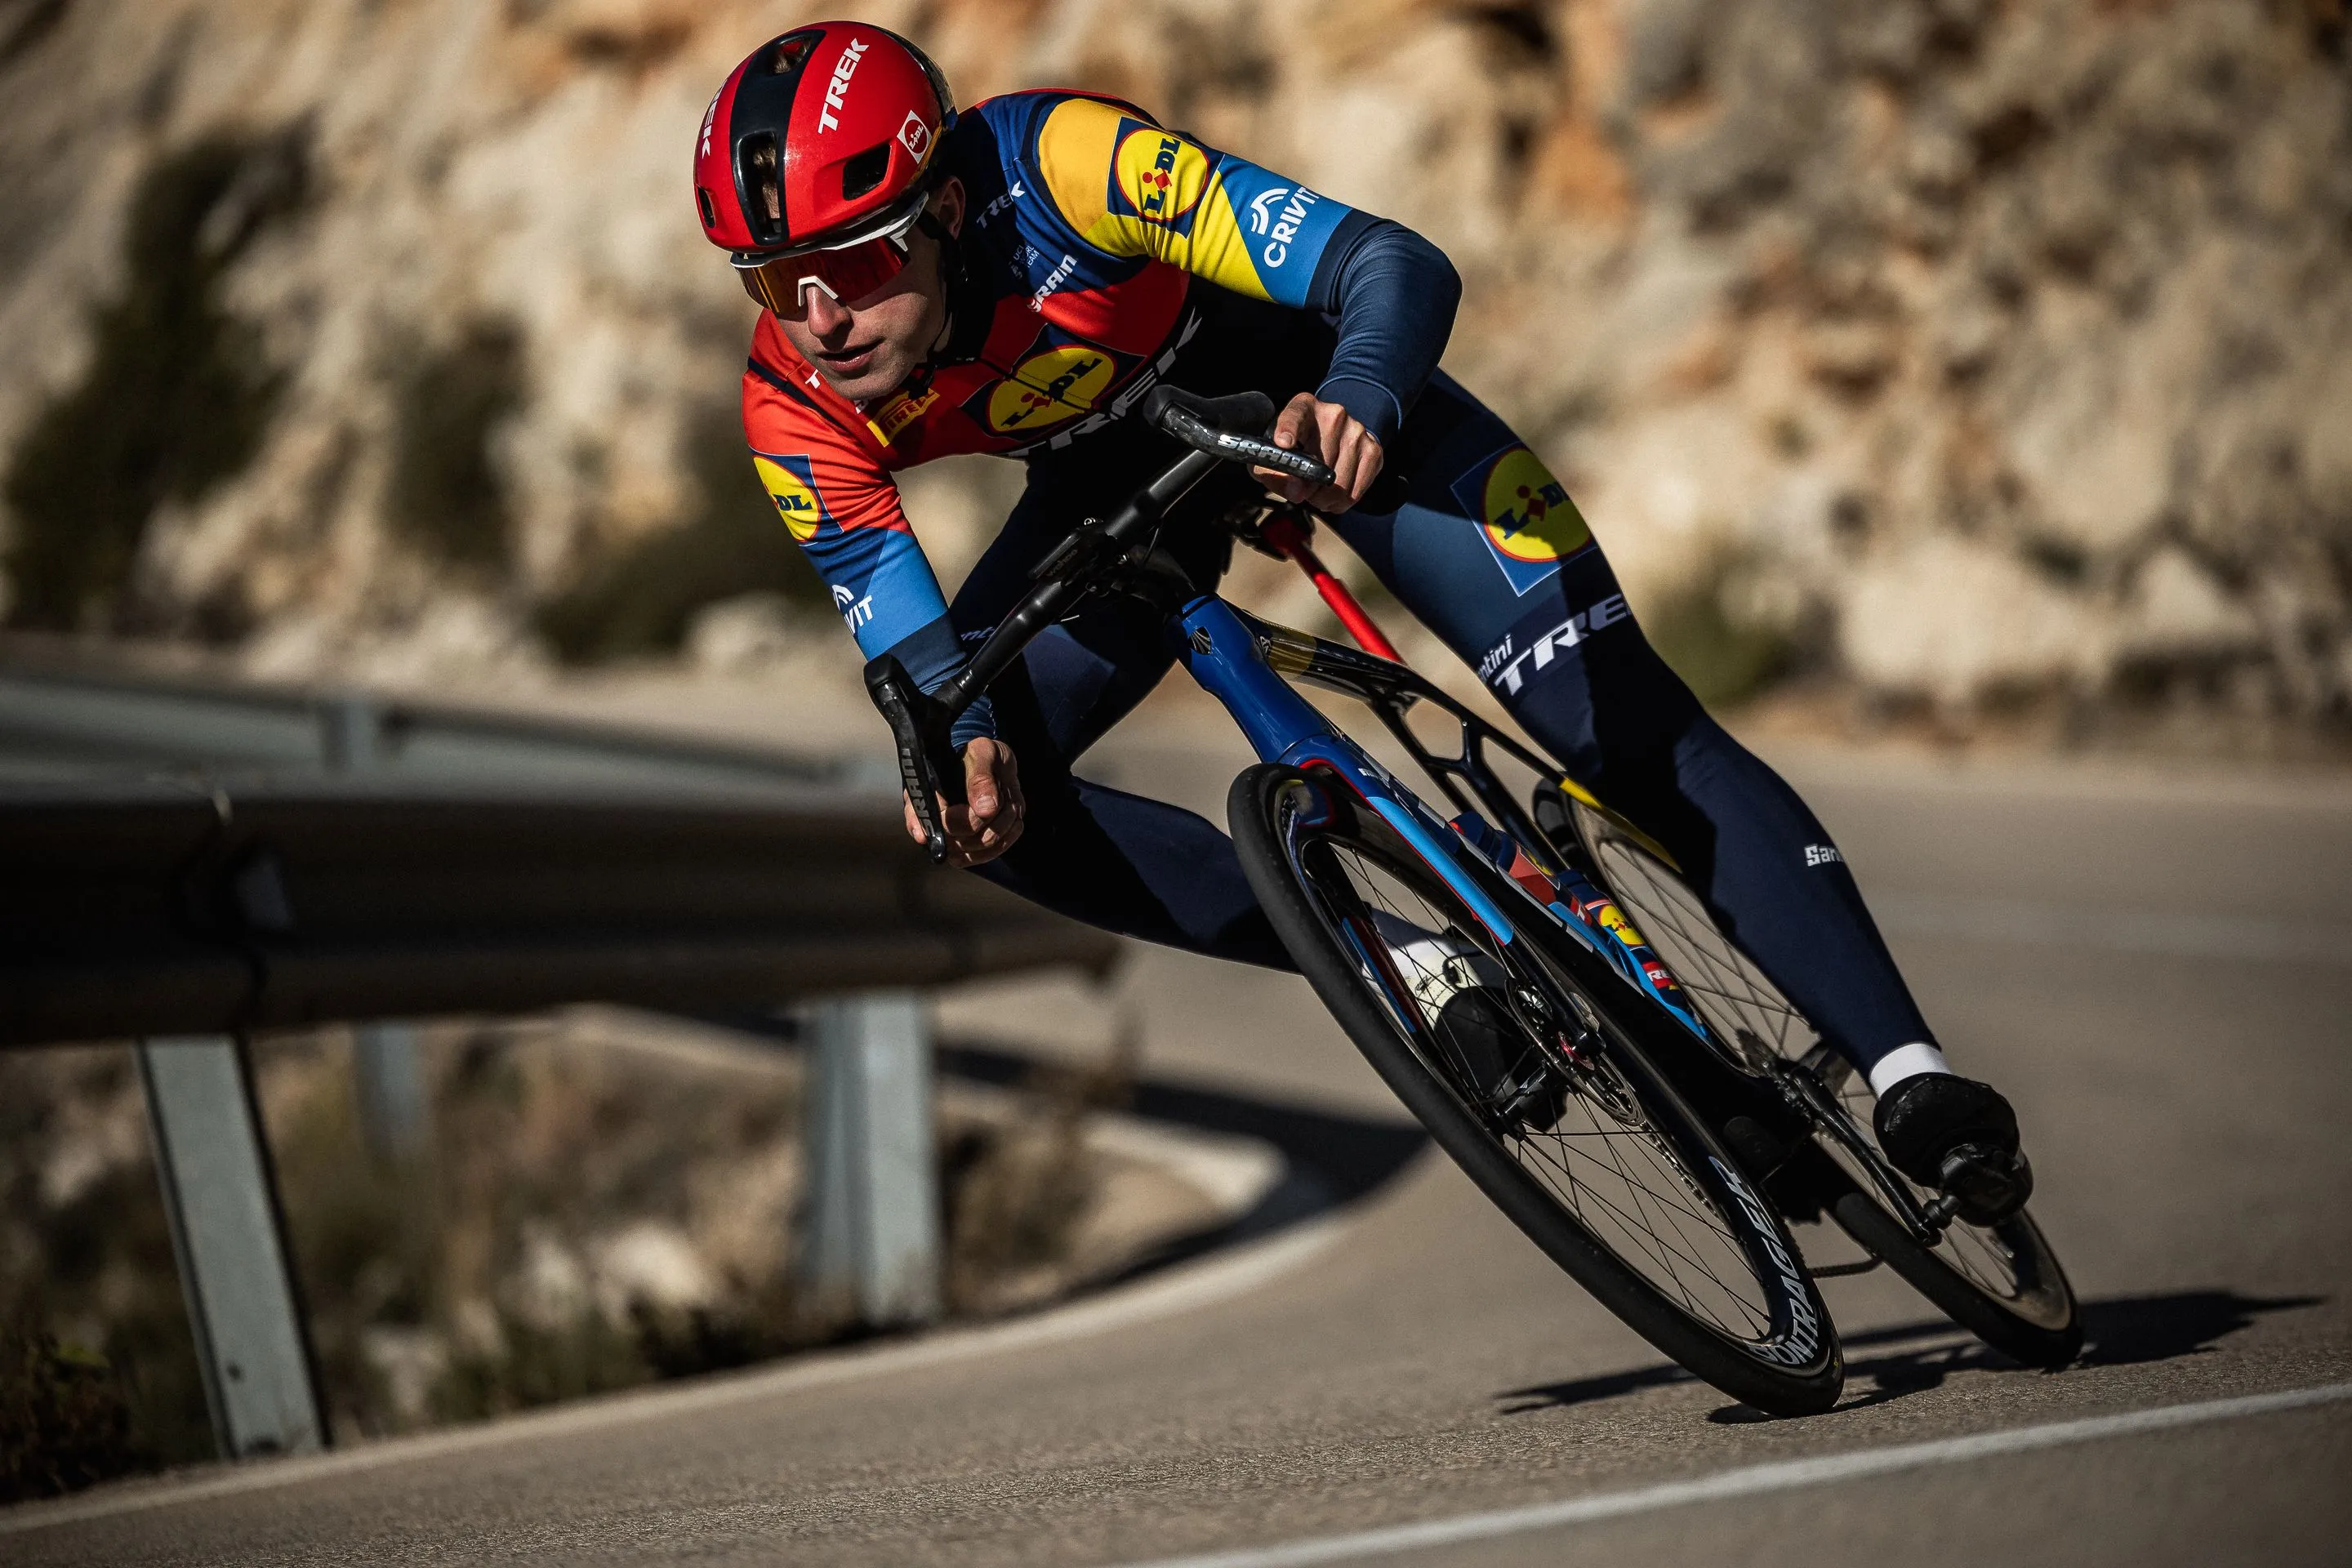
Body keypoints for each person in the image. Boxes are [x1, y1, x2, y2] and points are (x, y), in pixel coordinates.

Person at [693, 22, 2033, 1224]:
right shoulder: (794, 402)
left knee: (1607, 722)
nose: (820, 319)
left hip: (1316, 395)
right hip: (1113, 486)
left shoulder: (1069, 164)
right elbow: (917, 646)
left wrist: (1363, 399)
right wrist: (964, 735)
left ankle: (1912, 1077)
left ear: (945, 202)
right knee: (975, 804)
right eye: (776, 281)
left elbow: (1390, 261)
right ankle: (1420, 963)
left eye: (855, 264)